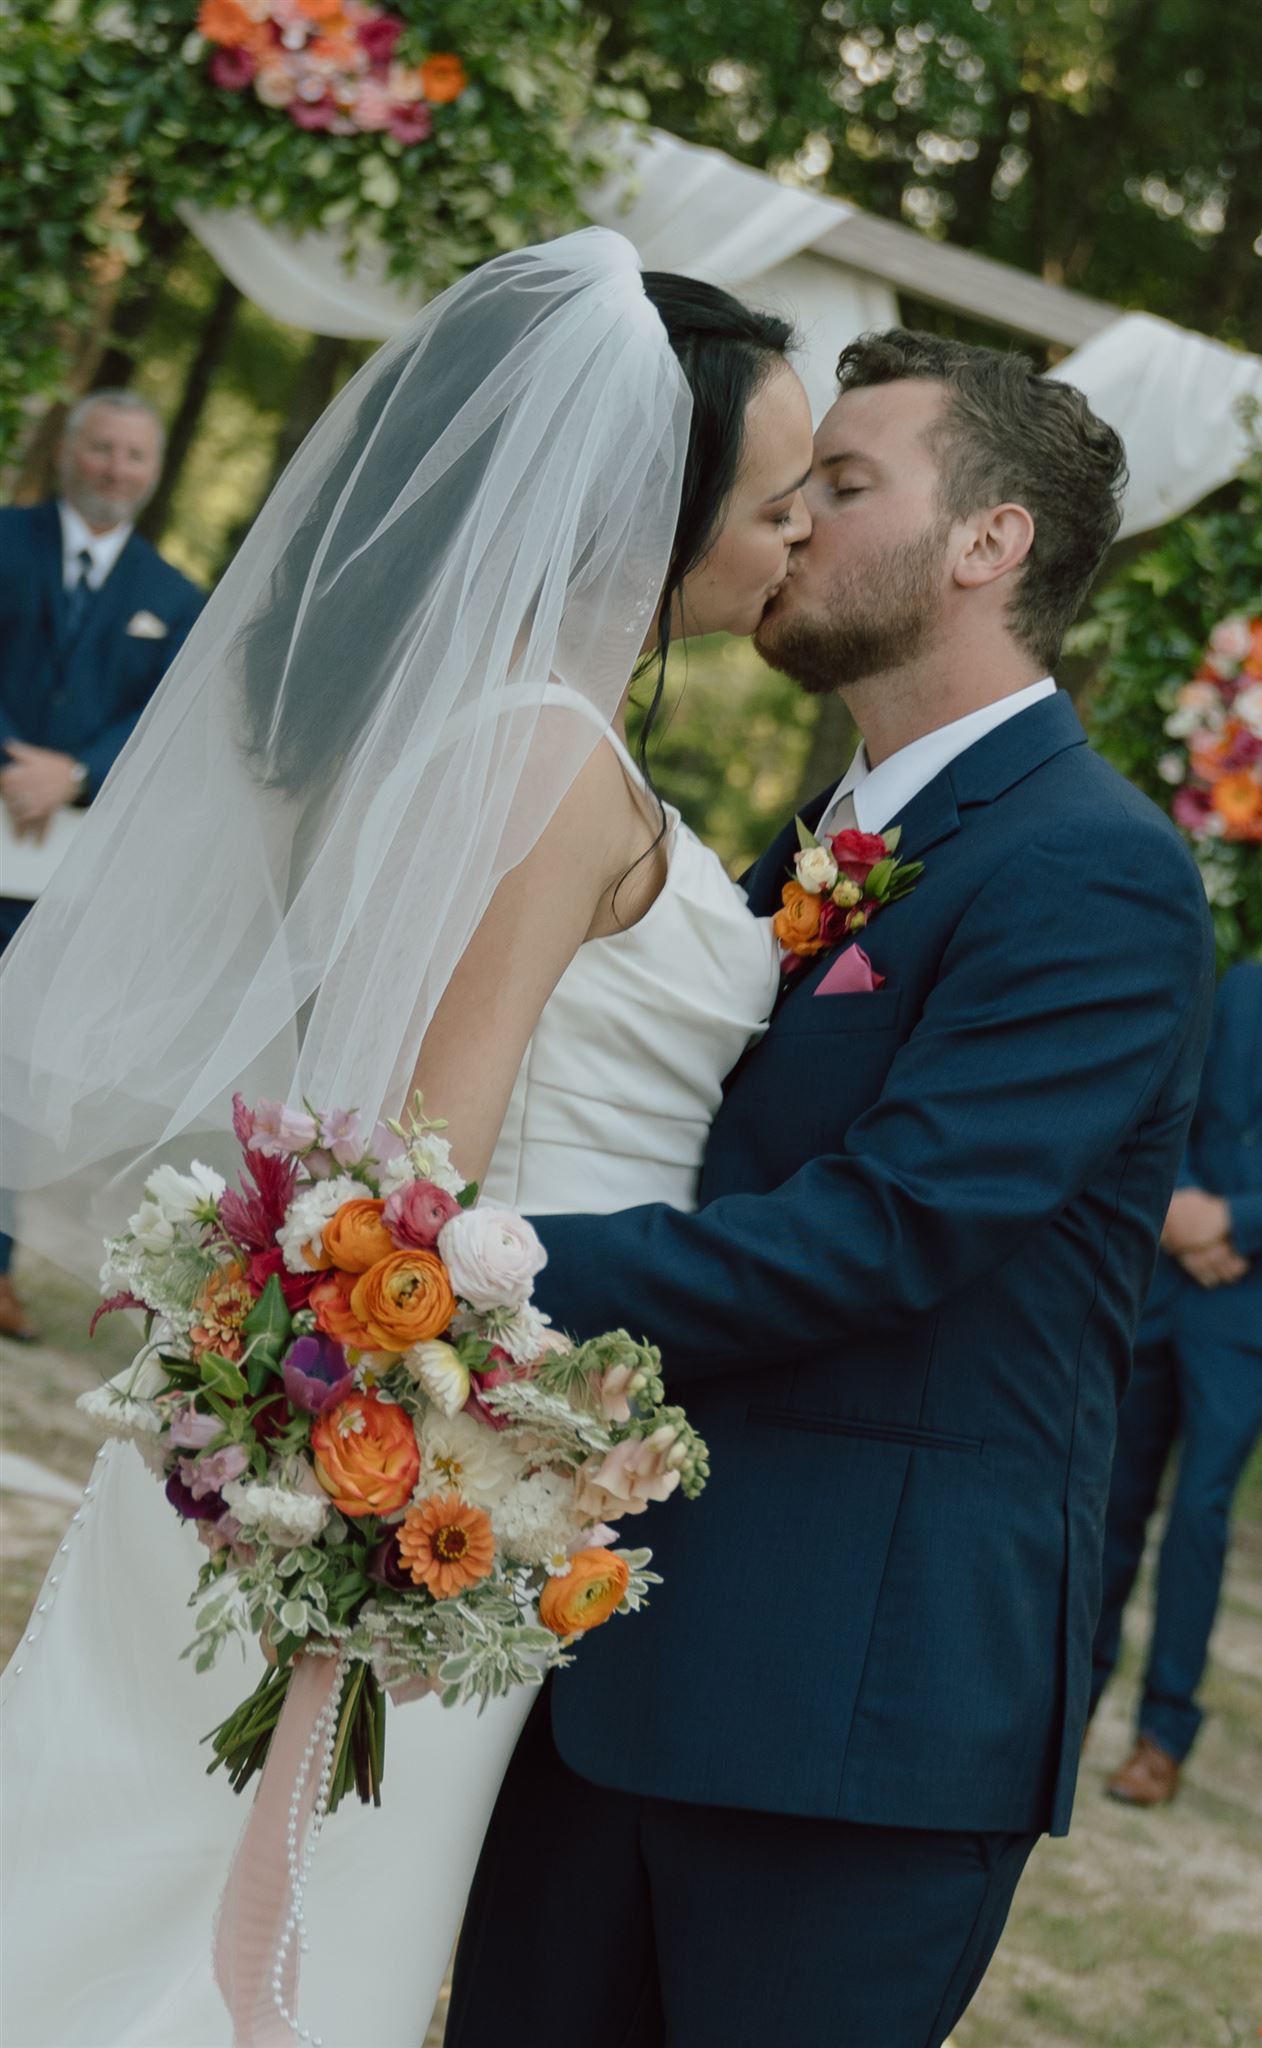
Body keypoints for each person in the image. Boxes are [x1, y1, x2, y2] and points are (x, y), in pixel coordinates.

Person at [0, 230, 813, 2046]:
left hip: (401, 1407)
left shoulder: (490, 722)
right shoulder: (547, 756)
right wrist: (411, 1461)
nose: (796, 537)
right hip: (432, 1444)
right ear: (646, 512)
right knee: (283, 1907)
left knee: (174, 1870)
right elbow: (420, 1143)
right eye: (772, 503)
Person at [447, 332, 1215, 2048]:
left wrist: (469, 1269)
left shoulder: (1098, 870)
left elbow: (889, 1230)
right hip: (614, 1653)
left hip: (852, 1713)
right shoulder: (816, 842)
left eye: (844, 484)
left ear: (988, 542)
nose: (788, 523)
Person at [1091, 822, 1262, 1807]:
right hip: (1164, 1286)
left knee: (1200, 1513)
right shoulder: (1246, 985)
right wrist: (1182, 1212)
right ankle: (1070, 1698)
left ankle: (1163, 1733)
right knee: (1113, 1499)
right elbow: (1181, 1102)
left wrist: (1233, 1219)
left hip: (1256, 1311)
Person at [0, 390, 203, 1341]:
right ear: (70, 451)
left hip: (67, 880)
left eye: (133, 455)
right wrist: (15, 764)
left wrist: (74, 771)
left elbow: (170, 730)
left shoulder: (174, 598)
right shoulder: (5, 539)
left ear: (152, 472)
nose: (114, 468)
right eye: (101, 448)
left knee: (18, 1067)